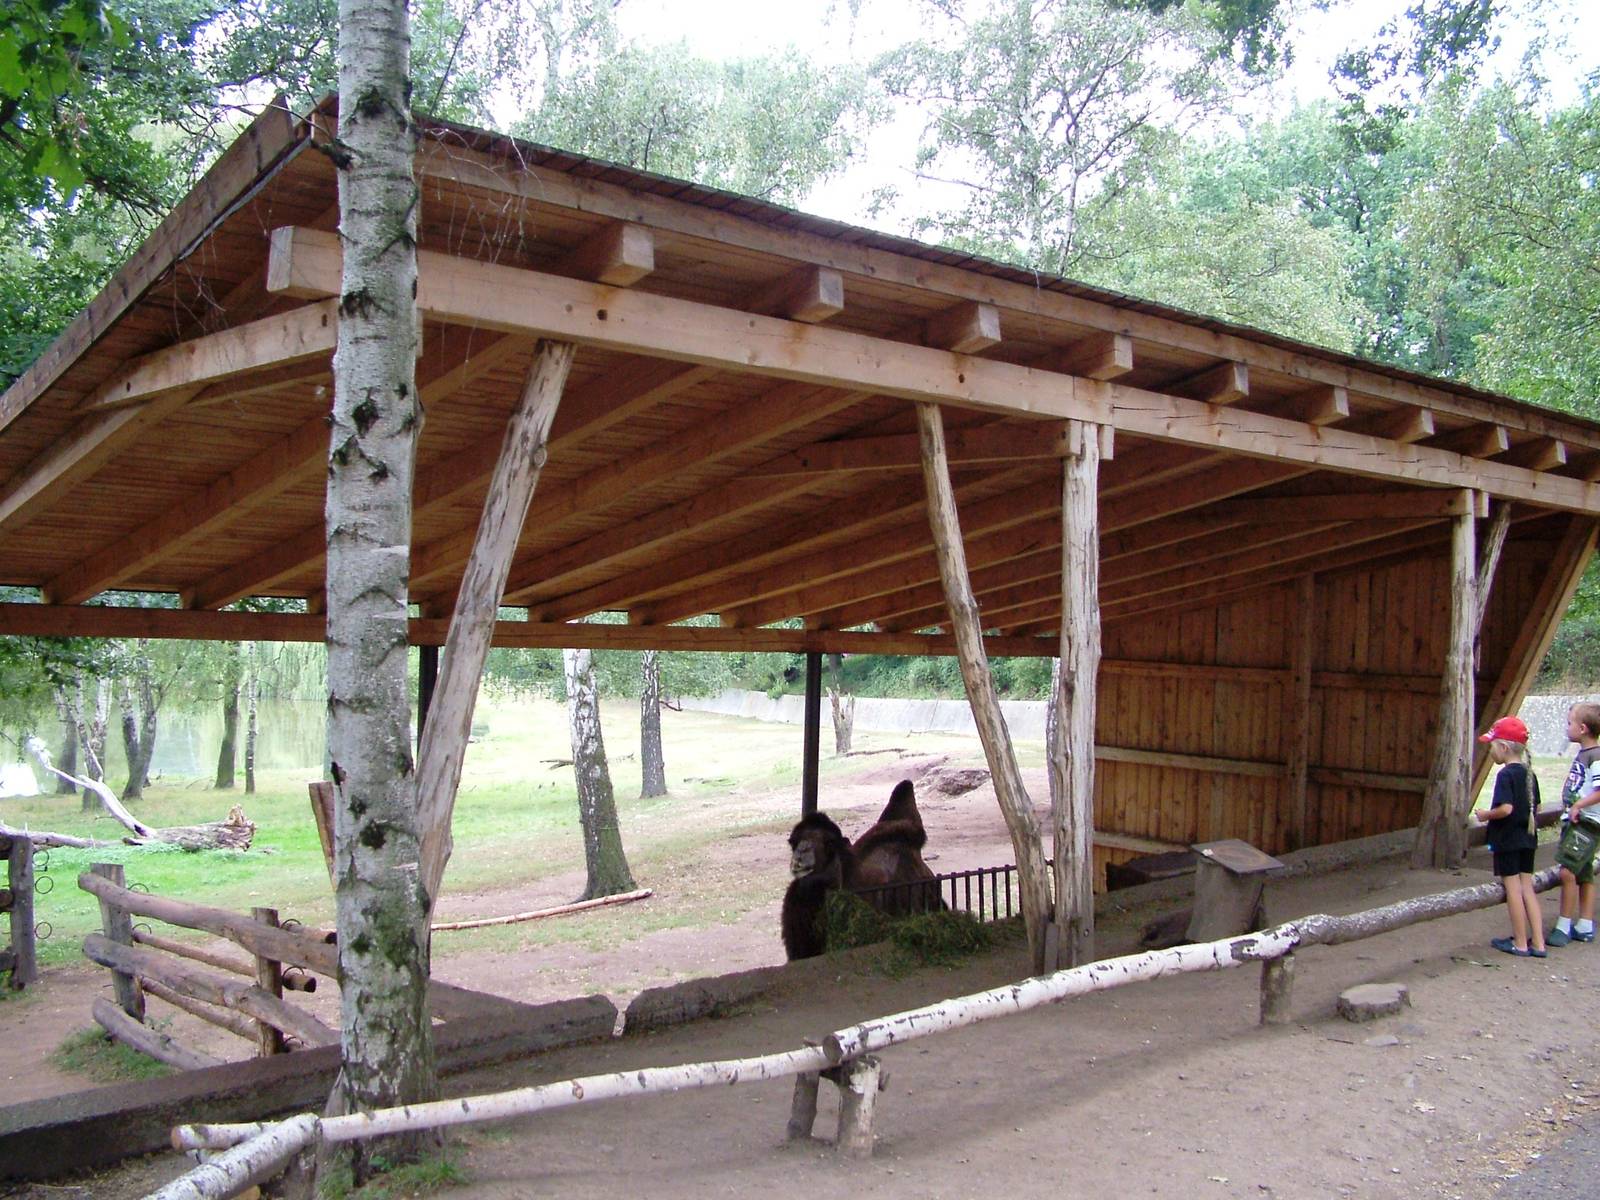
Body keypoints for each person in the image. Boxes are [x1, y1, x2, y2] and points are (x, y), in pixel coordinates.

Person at [1471, 715, 1546, 957]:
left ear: (1503, 748)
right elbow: (1539, 807)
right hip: (1527, 838)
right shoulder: (1528, 773)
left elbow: (1506, 809)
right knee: (1528, 888)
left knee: (1513, 889)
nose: (1490, 751)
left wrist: (1485, 815)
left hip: (1508, 840)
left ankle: (1521, 943)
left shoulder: (1505, 775)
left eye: (1492, 746)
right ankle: (1539, 943)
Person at [1548, 701, 1600, 946]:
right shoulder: (1586, 754)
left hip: (1586, 824)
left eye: (1569, 723)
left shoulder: (1595, 756)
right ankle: (1585, 923)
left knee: (1567, 871)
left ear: (1582, 729)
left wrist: (1578, 805)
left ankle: (1563, 924)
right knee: (1584, 872)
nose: (1566, 728)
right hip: (1579, 821)